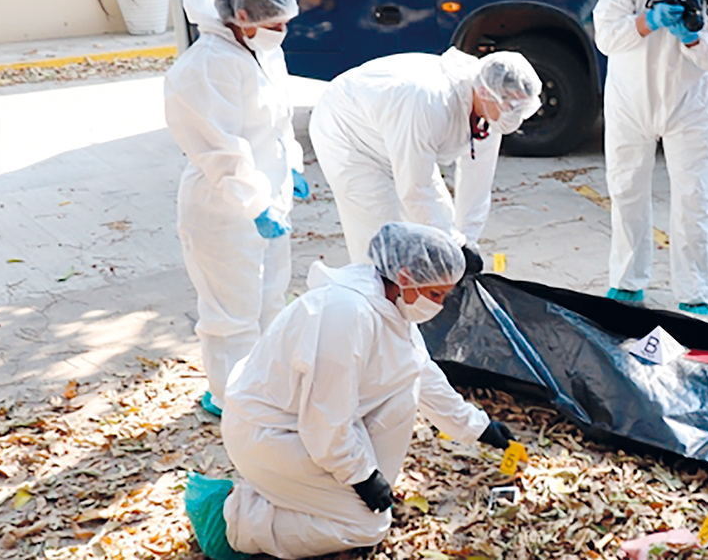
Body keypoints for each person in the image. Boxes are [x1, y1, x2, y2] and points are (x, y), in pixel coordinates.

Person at [184, 223, 516, 559]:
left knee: (403, 394)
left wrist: (478, 427)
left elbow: (419, 371)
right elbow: (324, 419)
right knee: (364, 528)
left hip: (308, 430)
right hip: (271, 434)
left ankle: (313, 497)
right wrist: (362, 477)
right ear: (404, 277)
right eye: (435, 295)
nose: (440, 306)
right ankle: (231, 520)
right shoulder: (346, 313)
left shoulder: (388, 303)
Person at [164, 0, 304, 417]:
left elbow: (281, 120)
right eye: (276, 24)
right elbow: (221, 149)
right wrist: (255, 203)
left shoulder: (262, 50)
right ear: (242, 17)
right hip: (222, 210)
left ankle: (263, 386)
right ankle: (231, 400)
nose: (282, 32)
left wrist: (294, 168)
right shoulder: (204, 66)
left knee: (269, 302)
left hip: (268, 200)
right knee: (231, 314)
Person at [594, 0, 708, 315]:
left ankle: (695, 293)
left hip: (690, 104)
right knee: (626, 189)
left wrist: (695, 41)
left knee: (695, 198)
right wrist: (648, 21)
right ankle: (626, 283)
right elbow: (607, 38)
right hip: (631, 100)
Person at [309, 49, 542, 270]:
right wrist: (453, 245)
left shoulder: (489, 110)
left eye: (521, 109)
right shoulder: (430, 102)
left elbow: (478, 178)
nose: (514, 117)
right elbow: (415, 189)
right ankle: (374, 303)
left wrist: (467, 241)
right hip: (349, 134)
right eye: (511, 107)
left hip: (399, 135)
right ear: (485, 92)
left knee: (438, 220)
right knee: (383, 237)